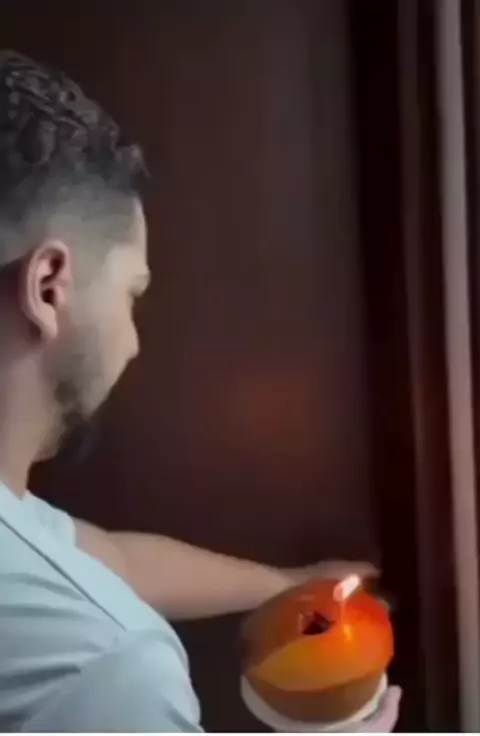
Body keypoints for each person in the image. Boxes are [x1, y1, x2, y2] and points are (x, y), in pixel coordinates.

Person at [0, 50, 401, 732]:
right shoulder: (97, 666)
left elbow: (111, 558)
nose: (134, 342)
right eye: (132, 293)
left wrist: (287, 586)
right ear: (48, 287)